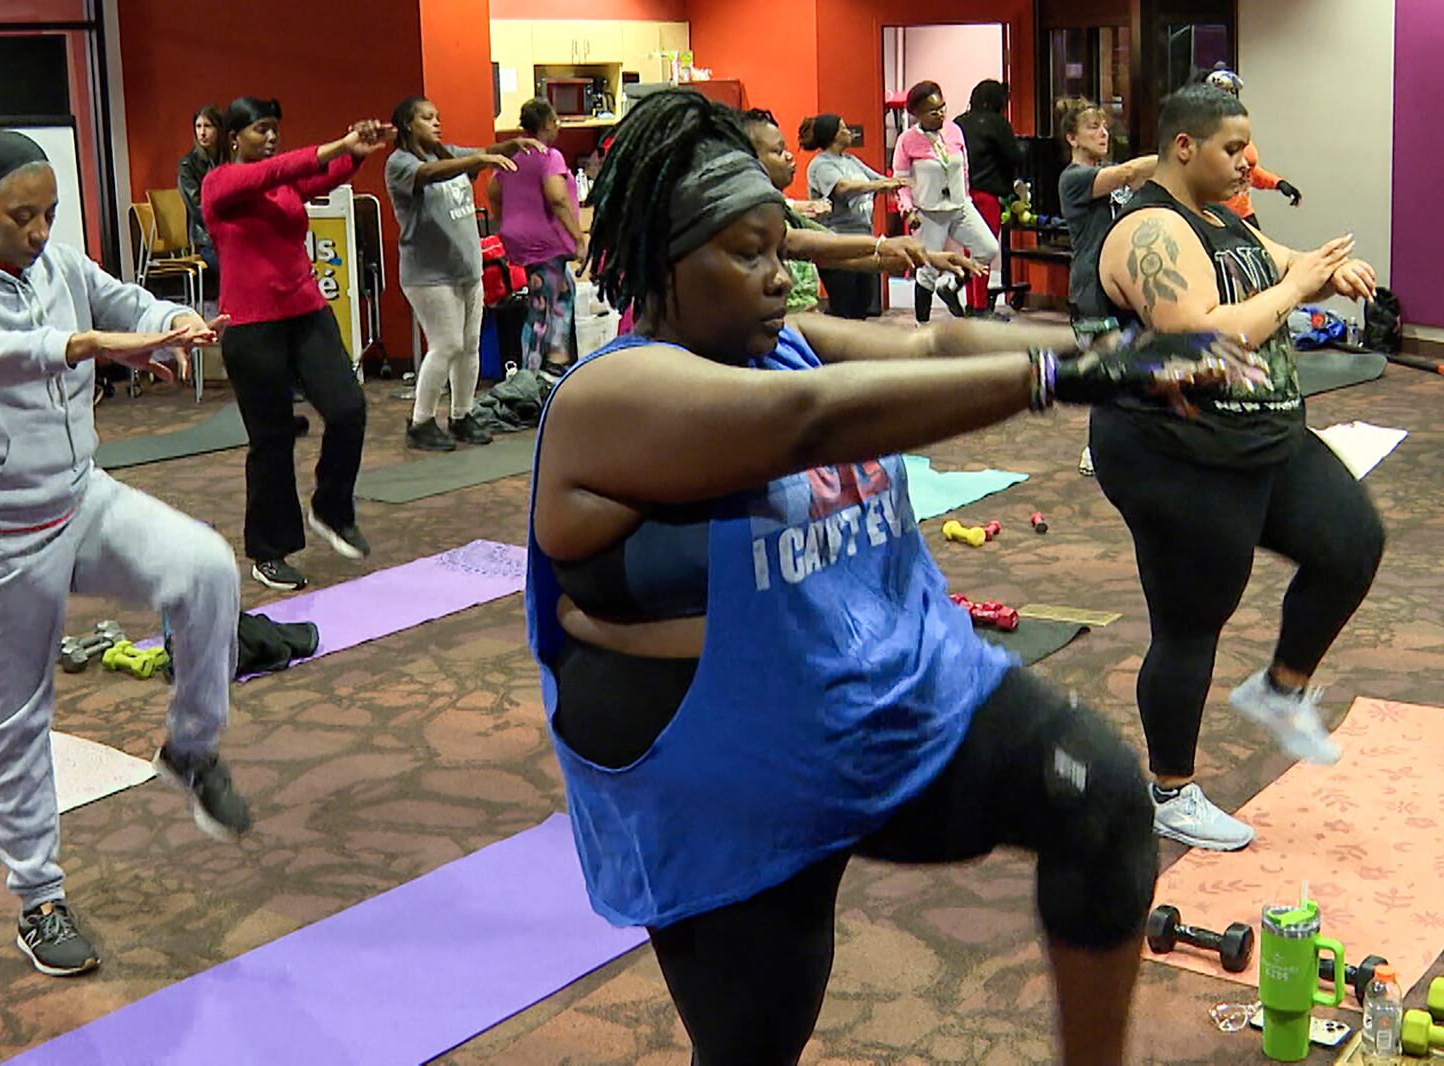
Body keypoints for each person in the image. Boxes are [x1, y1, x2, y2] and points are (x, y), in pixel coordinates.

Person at [528, 89, 1264, 1065]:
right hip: (729, 782)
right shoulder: (612, 393)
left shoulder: (780, 339)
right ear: (664, 266)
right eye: (746, 254)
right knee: (756, 1042)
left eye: (779, 250)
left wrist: (1113, 346)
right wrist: (1069, 378)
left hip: (873, 700)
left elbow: (933, 342)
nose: (775, 279)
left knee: (1101, 797)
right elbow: (812, 418)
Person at [0, 131, 248, 976]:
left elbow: (120, 299)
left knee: (205, 569)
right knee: (18, 720)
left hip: (78, 499)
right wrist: (82, 346)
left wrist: (169, 323)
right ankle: (38, 900)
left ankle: (191, 749)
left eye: (50, 214)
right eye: (23, 217)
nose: (41, 233)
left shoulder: (55, 265)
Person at [1095, 84, 1383, 851]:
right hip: (1177, 455)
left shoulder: (1223, 220)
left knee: (1352, 543)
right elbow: (1198, 342)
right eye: (1232, 149)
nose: (1247, 163)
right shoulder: (1149, 230)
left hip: (1264, 439)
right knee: (1193, 622)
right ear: (1183, 146)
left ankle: (1280, 690)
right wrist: (1292, 288)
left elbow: (1285, 264)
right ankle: (1171, 790)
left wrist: (1325, 272)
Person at [203, 97, 389, 592]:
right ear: (235, 137)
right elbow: (280, 170)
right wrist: (336, 146)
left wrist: (358, 152)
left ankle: (330, 508)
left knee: (348, 409)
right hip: (250, 326)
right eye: (260, 130)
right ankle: (269, 550)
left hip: (307, 315)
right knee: (272, 440)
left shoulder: (281, 181)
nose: (269, 138)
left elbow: (323, 177)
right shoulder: (220, 183)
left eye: (274, 130)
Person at [386, 96, 544, 451]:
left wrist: (512, 145)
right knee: (447, 344)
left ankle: (462, 415)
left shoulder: (446, 152)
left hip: (467, 267)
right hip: (428, 273)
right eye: (428, 118)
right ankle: (421, 421)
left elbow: (484, 151)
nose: (436, 122)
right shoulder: (400, 163)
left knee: (469, 345)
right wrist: (475, 161)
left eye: (438, 116)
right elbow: (429, 174)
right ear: (409, 124)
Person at [741, 108, 982, 315]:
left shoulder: (787, 208)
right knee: (846, 311)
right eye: (777, 151)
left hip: (847, 249)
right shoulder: (818, 168)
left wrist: (928, 257)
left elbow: (837, 249)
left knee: (861, 308)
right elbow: (834, 215)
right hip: (791, 319)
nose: (790, 156)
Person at [1056, 97, 1158, 478]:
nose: (1103, 133)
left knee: (1132, 369)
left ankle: (1125, 446)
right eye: (1092, 128)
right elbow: (1133, 170)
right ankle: (1096, 451)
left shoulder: (1111, 175)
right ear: (1072, 138)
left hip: (1122, 288)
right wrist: (1180, 153)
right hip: (1091, 290)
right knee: (1106, 374)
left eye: (1104, 127)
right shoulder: (1074, 179)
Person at [486, 97, 583, 377]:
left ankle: (557, 363)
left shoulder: (513, 155)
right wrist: (578, 237)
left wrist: (511, 219)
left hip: (522, 240)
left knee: (564, 294)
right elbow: (557, 198)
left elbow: (493, 193)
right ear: (547, 124)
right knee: (541, 308)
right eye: (556, 122)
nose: (558, 128)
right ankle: (531, 376)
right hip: (546, 243)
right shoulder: (549, 156)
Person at [892, 81, 1002, 323]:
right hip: (930, 212)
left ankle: (951, 286)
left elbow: (963, 168)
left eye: (943, 107)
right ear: (917, 114)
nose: (940, 113)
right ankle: (922, 324)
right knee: (927, 270)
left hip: (960, 206)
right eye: (933, 111)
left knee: (988, 248)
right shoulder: (907, 140)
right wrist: (908, 211)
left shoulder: (954, 130)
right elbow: (900, 180)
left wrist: (966, 196)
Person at [798, 112, 908, 319]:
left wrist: (899, 182)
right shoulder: (821, 164)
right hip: (838, 240)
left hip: (862, 237)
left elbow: (880, 180)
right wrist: (877, 185)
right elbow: (842, 187)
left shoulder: (850, 160)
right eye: (843, 128)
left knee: (863, 302)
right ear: (831, 135)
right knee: (844, 304)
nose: (849, 131)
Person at [954, 79, 1025, 314]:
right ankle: (981, 308)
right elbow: (1013, 156)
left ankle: (973, 303)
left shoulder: (958, 123)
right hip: (987, 195)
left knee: (971, 251)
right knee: (985, 251)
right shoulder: (997, 124)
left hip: (961, 195)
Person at [1205, 68, 1301, 230]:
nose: (1230, 98)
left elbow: (1249, 171)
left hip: (1244, 213)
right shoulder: (1206, 133)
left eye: (1231, 93)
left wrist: (1278, 183)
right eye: (1225, 93)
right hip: (1217, 215)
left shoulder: (1237, 129)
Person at [177, 104, 225, 282]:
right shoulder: (187, 165)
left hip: (233, 232)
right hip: (207, 239)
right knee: (233, 267)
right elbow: (198, 207)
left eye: (208, 126)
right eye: (198, 127)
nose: (202, 133)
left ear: (219, 130)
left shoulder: (229, 159)